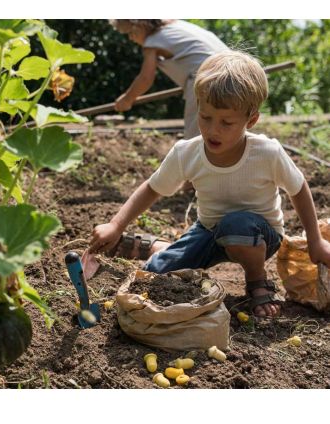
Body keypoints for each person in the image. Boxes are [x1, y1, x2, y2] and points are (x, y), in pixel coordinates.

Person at [89, 50, 330, 318]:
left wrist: (315, 241)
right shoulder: (187, 152)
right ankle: (161, 247)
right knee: (154, 276)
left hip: (260, 236)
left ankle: (257, 280)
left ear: (250, 120)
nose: (213, 130)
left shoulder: (267, 153)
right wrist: (116, 224)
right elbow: (152, 187)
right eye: (205, 117)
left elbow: (298, 189)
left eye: (226, 122)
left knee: (236, 225)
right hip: (209, 230)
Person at [110, 19, 229, 139]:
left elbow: (145, 78)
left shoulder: (153, 41)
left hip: (206, 80)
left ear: (139, 26)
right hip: (236, 73)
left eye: (129, 33)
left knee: (196, 139)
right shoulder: (178, 26)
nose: (131, 38)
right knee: (235, 131)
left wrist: (127, 99)